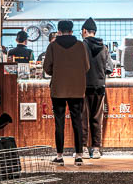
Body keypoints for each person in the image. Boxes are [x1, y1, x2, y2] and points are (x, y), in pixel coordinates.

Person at [42, 20, 89, 166]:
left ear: (59, 30)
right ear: (72, 30)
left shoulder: (53, 46)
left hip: (58, 90)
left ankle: (60, 156)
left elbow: (47, 68)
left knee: (59, 123)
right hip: (77, 89)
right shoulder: (81, 45)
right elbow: (86, 66)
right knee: (77, 122)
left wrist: (57, 72)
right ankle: (79, 156)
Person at [80, 18, 113, 159]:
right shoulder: (104, 48)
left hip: (83, 87)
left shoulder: (81, 46)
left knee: (83, 118)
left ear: (84, 31)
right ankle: (96, 148)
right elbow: (109, 68)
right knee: (96, 119)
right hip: (99, 88)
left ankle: (83, 148)